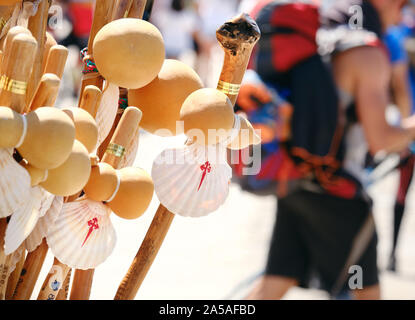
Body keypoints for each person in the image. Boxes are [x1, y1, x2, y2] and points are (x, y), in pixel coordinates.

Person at [246, 0, 414, 300]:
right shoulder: (367, 52)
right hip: (340, 197)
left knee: (272, 286)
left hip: (296, 182)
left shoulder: (320, 36)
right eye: (402, 4)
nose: (402, 14)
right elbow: (381, 140)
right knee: (365, 292)